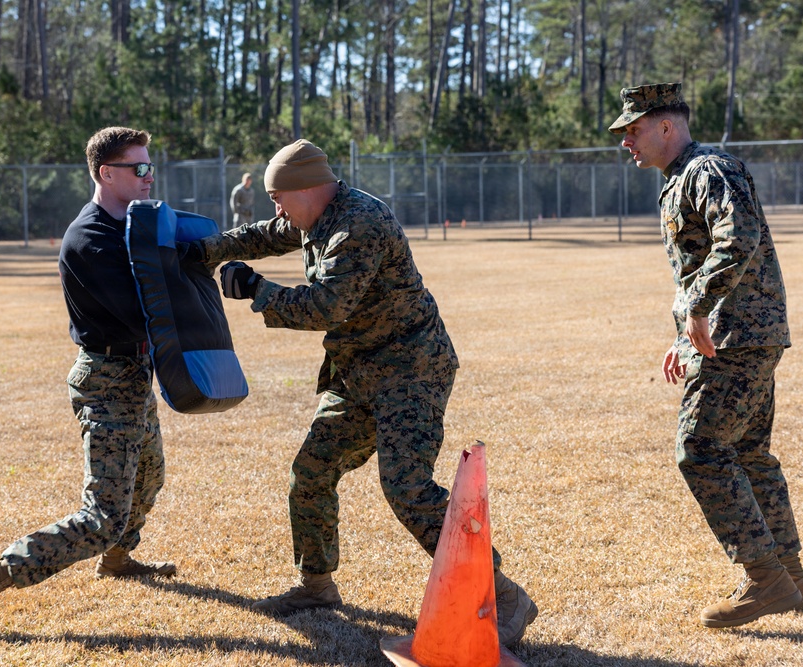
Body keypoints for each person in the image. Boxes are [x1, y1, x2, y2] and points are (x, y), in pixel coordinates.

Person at [180, 139, 538, 647]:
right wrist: (206, 250)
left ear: (305, 188)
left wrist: (258, 290)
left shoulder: (359, 224)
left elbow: (326, 307)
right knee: (311, 471)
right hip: (359, 374)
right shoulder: (316, 214)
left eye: (278, 198)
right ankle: (316, 586)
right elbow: (268, 233)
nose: (276, 209)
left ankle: (505, 597)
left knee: (407, 487)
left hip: (411, 372)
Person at [0, 126, 176, 637]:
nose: (149, 176)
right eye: (138, 168)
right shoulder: (91, 238)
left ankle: (117, 559)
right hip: (106, 379)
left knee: (149, 477)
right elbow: (145, 314)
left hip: (135, 373)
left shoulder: (131, 226)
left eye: (151, 166)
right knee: (102, 517)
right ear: (106, 173)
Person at [609, 83, 803, 628]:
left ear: (666, 126)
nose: (626, 141)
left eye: (633, 130)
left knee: (699, 448)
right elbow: (700, 264)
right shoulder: (682, 176)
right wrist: (685, 332)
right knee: (748, 453)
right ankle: (793, 579)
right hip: (740, 332)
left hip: (736, 335)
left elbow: (737, 237)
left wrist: (699, 308)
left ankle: (765, 579)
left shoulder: (708, 169)